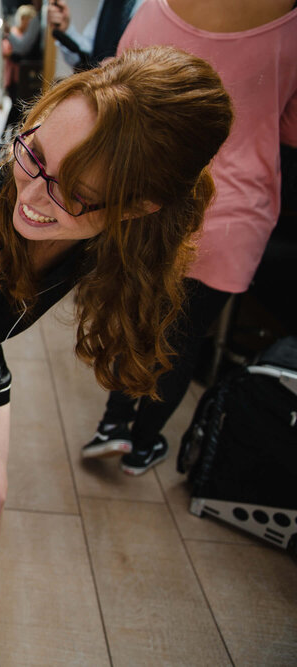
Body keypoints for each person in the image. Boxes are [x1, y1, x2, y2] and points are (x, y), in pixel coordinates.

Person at [0, 46, 232, 667]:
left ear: (136, 208)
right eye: (32, 153)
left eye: (75, 194)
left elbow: (6, 304)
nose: (32, 194)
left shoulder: (115, 238)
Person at [82, 0, 297, 474]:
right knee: (184, 339)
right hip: (236, 210)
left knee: (138, 315)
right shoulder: (289, 28)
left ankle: (112, 425)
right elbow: (291, 129)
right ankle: (143, 444)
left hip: (155, 198)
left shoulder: (154, 11)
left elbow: (115, 92)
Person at [48, 0, 145, 70]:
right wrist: (66, 30)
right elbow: (88, 53)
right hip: (98, 89)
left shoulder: (155, 5)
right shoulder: (107, 3)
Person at [2, 4, 42, 138]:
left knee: (17, 106)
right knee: (16, 105)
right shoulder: (14, 33)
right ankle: (6, 132)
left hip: (22, 76)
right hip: (13, 75)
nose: (26, 22)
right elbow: (8, 53)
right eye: (25, 19)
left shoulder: (24, 35)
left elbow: (17, 52)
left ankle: (9, 132)